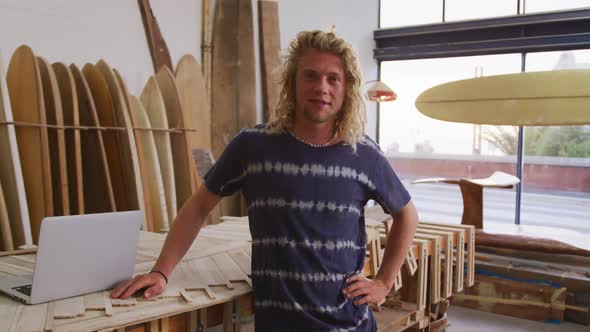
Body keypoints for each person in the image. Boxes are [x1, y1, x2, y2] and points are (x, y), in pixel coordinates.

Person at [112, 30, 419, 331]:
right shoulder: (253, 146)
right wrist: (161, 272)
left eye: (333, 78)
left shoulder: (363, 153)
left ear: (346, 87)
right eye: (310, 76)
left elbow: (406, 214)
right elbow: (198, 207)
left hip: (347, 323)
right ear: (292, 83)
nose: (321, 87)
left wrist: (383, 281)